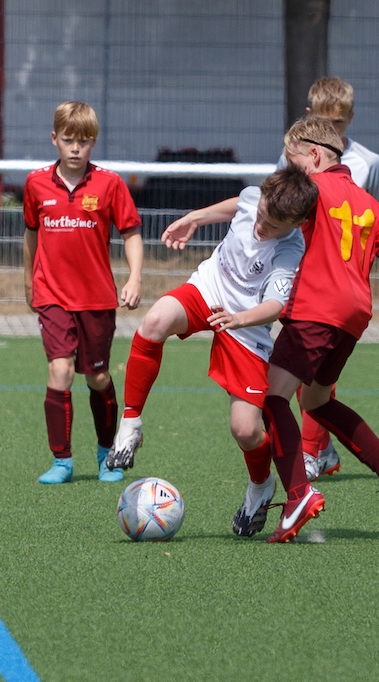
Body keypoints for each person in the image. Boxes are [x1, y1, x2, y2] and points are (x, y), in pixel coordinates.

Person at [104, 166, 319, 537]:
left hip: (246, 327)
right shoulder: (255, 198)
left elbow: (275, 306)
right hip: (208, 289)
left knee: (245, 430)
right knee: (154, 322)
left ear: (298, 223)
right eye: (261, 215)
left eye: (272, 225)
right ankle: (130, 425)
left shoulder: (290, 249)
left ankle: (261, 486)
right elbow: (239, 204)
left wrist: (239, 318)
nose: (260, 226)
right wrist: (195, 218)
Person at [261, 116, 379, 544]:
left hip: (315, 310)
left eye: (293, 161)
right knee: (316, 401)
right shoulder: (368, 202)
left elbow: (264, 214)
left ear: (315, 155)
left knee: (272, 397)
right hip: (353, 316)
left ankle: (298, 494)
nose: (290, 170)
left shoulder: (312, 190)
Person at [277, 76, 379, 484]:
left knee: (278, 391)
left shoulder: (366, 163)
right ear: (310, 117)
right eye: (326, 121)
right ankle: (368, 464)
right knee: (313, 389)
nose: (333, 129)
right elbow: (278, 206)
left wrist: (359, 257)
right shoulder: (297, 156)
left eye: (340, 123)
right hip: (316, 283)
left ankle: (304, 467)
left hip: (331, 289)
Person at [23, 101, 143, 485]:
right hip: (52, 294)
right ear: (54, 139)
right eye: (68, 140)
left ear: (94, 142)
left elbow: (131, 233)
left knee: (97, 377)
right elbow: (30, 234)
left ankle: (108, 453)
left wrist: (135, 277)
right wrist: (28, 280)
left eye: (84, 141)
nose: (75, 148)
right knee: (59, 369)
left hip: (96, 298)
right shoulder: (36, 183)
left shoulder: (110, 184)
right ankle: (62, 460)